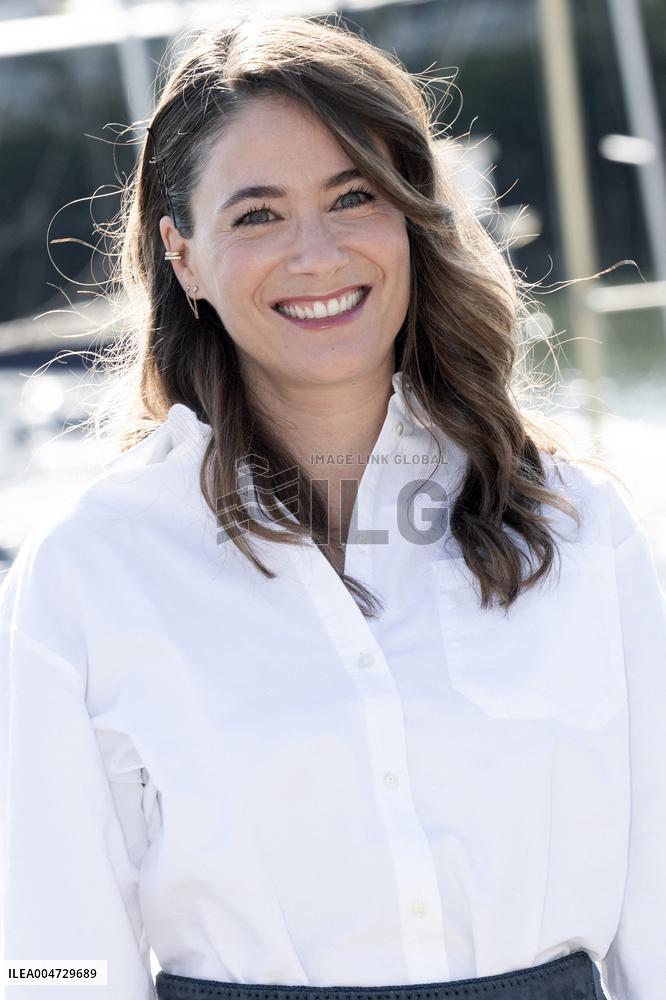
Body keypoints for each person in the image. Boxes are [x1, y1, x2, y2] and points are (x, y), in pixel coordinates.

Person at [1, 13, 664, 1000]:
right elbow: (50, 960)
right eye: (257, 216)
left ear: (411, 220)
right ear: (183, 256)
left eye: (354, 197)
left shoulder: (581, 528)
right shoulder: (88, 572)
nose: (316, 253)